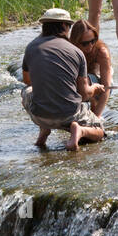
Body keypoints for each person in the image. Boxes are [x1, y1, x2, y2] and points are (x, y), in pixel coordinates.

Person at [22, 8, 106, 151]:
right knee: (100, 132)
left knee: (27, 90)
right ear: (64, 26)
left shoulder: (31, 47)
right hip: (68, 115)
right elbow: (85, 94)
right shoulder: (76, 52)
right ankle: (80, 131)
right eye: (68, 26)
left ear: (44, 26)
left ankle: (44, 129)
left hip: (38, 114)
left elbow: (27, 80)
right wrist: (96, 88)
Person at [69, 19, 112, 115]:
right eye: (85, 43)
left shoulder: (101, 51)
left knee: (86, 80)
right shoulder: (69, 50)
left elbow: (107, 87)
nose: (90, 45)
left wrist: (97, 117)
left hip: (99, 83)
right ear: (75, 42)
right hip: (80, 82)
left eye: (93, 41)